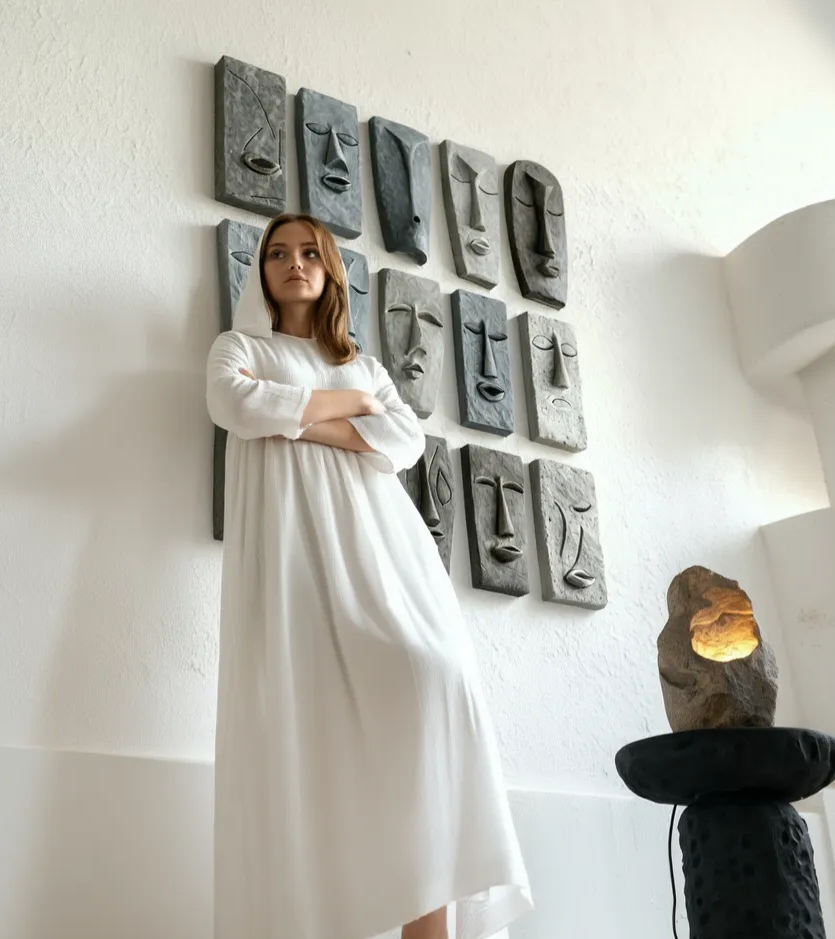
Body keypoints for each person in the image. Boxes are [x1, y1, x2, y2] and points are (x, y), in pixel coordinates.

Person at [206, 212, 532, 939]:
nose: (293, 263)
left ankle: (429, 926)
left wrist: (300, 412)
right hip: (295, 557)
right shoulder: (240, 346)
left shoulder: (363, 365)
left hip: (384, 553)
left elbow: (405, 439)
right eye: (277, 253)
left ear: (329, 268)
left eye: (309, 252)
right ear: (261, 270)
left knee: (435, 679)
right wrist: (353, 412)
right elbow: (233, 402)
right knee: (318, 737)